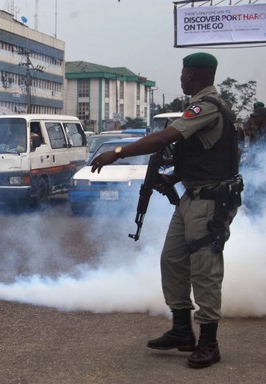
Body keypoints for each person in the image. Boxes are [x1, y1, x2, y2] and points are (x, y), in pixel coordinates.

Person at [91, 52, 242, 369]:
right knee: (172, 259)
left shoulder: (207, 107)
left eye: (184, 72)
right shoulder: (199, 108)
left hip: (210, 201)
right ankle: (182, 330)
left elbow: (164, 137)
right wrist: (172, 177)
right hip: (193, 197)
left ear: (193, 74)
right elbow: (200, 154)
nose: (181, 77)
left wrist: (116, 153)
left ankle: (208, 343)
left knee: (204, 271)